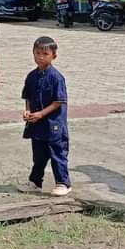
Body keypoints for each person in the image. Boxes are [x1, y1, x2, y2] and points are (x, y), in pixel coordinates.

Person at [20, 36, 71, 195]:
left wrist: (41, 114)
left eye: (45, 54)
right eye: (37, 53)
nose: (40, 57)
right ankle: (35, 181)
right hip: (36, 124)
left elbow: (59, 101)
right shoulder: (31, 76)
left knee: (57, 153)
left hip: (53, 124)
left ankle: (63, 182)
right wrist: (27, 111)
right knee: (39, 156)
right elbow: (27, 96)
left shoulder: (56, 77)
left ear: (53, 56)